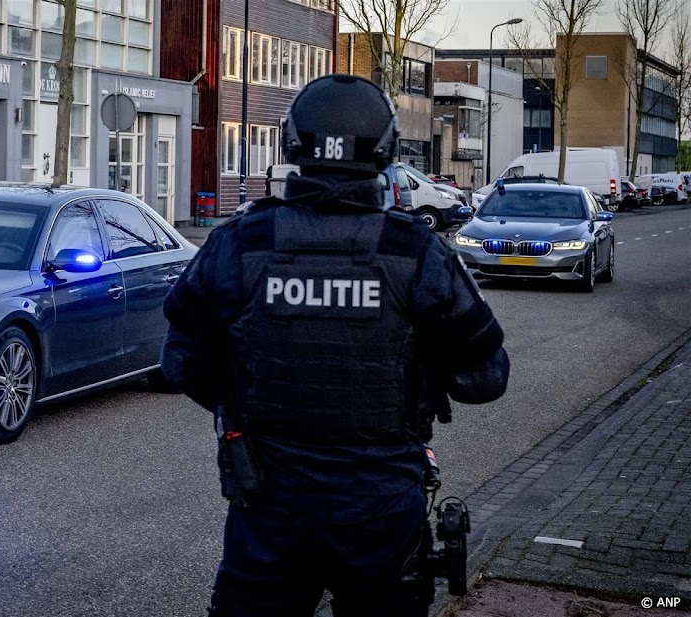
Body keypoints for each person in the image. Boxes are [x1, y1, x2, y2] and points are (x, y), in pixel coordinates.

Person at [160, 74, 510, 617]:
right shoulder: (415, 252)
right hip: (380, 510)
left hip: (268, 503)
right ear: (389, 149)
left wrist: (244, 406)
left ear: (290, 143)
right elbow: (487, 377)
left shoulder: (239, 243)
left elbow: (181, 362)